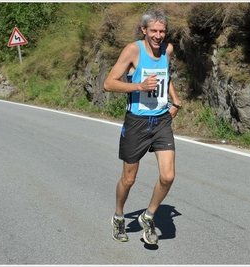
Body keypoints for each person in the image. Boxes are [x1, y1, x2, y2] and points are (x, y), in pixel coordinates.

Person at [103, 9, 181, 245]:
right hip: (136, 121)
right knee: (129, 179)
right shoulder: (133, 50)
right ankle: (118, 216)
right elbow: (109, 84)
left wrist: (175, 100)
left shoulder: (168, 50)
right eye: (154, 31)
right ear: (144, 30)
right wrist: (139, 86)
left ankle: (148, 216)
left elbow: (165, 75)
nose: (158, 35)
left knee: (167, 176)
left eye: (162, 31)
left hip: (161, 120)